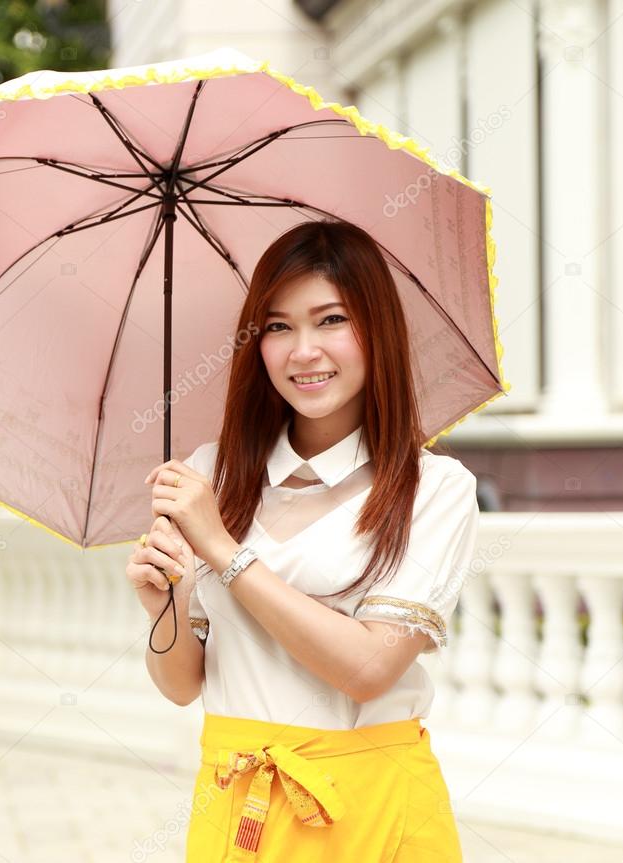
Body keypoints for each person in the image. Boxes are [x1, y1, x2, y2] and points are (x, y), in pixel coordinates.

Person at [125, 220, 478, 862]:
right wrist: (166, 605)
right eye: (278, 326)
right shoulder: (210, 475)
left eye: (332, 320)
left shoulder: (435, 488)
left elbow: (370, 670)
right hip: (238, 806)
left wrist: (225, 553)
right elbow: (182, 686)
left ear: (379, 330)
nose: (303, 351)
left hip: (367, 809)